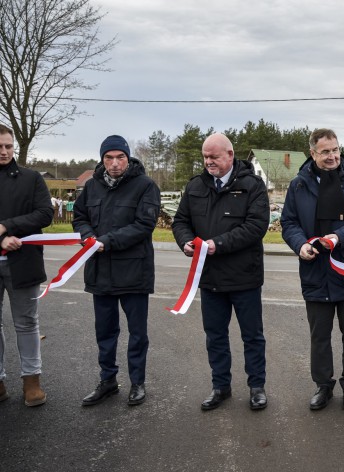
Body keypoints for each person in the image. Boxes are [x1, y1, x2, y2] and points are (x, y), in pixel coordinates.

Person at [172, 133, 270, 411]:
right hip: (210, 278)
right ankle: (220, 386)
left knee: (252, 335)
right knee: (214, 335)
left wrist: (219, 244)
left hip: (244, 277)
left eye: (213, 156)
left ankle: (257, 387)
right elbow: (180, 221)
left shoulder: (252, 186)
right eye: (205, 157)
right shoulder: (195, 186)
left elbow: (256, 227)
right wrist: (186, 241)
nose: (208, 162)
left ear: (230, 154)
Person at [280, 128, 344, 412]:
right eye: (325, 151)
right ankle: (323, 386)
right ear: (313, 153)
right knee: (319, 335)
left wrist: (338, 238)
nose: (333, 156)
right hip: (315, 271)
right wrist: (300, 245)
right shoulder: (298, 185)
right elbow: (288, 223)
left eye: (335, 149)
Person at [73, 135, 161, 407]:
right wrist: (87, 235)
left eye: (119, 157)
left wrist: (106, 242)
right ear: (102, 160)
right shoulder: (91, 187)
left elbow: (144, 224)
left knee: (137, 333)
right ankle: (108, 381)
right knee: (105, 332)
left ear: (128, 158)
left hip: (134, 272)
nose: (114, 163)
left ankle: (137, 382)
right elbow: (79, 217)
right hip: (100, 273)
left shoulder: (145, 186)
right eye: (109, 158)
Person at [0, 123, 52, 407]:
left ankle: (32, 382)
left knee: (27, 322)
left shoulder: (31, 178)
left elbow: (44, 214)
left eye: (9, 146)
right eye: (0, 147)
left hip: (24, 261)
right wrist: (2, 240)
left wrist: (7, 227)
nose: (5, 151)